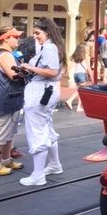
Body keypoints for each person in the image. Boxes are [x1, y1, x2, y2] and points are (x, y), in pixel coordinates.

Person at [19, 18, 66, 186]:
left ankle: (38, 175)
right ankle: (54, 164)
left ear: (47, 31)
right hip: (45, 91)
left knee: (37, 132)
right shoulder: (52, 47)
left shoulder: (49, 48)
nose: (35, 36)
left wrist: (28, 67)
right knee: (46, 128)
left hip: (40, 93)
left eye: (38, 32)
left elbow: (52, 71)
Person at [0, 26, 26, 176]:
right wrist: (27, 70)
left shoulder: (7, 54)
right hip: (6, 99)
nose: (18, 39)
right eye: (15, 36)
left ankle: (6, 160)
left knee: (8, 133)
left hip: (10, 98)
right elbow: (13, 74)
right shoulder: (5, 55)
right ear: (5, 38)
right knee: (2, 134)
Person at [65, 43, 91, 111]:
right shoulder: (86, 56)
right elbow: (88, 68)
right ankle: (70, 100)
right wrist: (92, 76)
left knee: (80, 90)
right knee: (80, 91)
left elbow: (70, 66)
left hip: (75, 74)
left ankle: (78, 107)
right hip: (82, 74)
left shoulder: (75, 56)